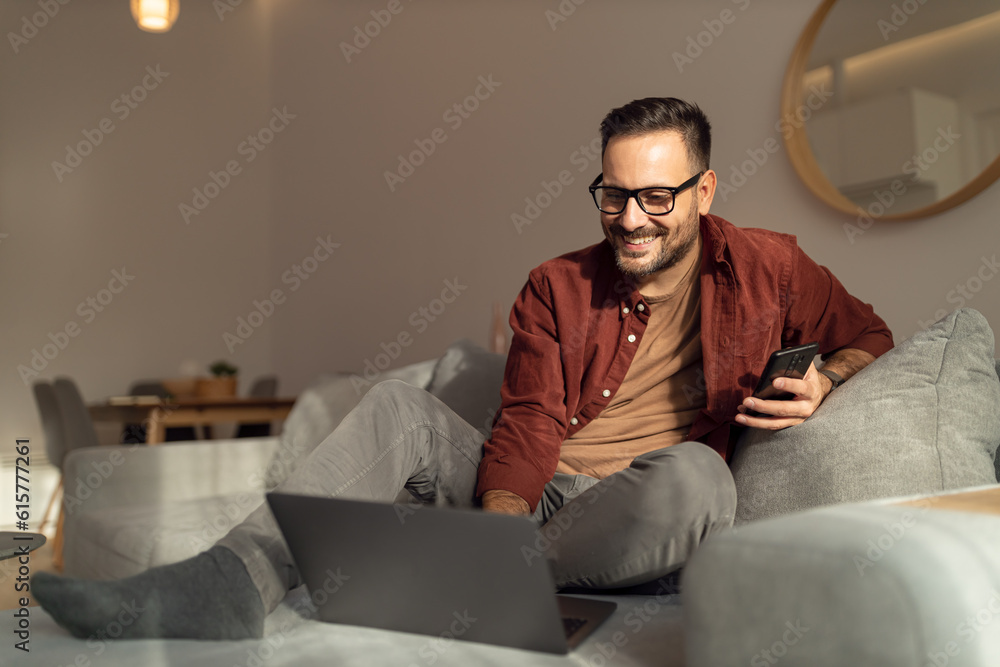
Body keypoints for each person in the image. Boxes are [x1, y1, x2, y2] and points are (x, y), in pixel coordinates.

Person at [33, 97, 893, 641]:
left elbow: (869, 333)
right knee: (396, 411)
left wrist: (827, 377)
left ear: (704, 192)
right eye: (613, 194)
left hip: (636, 504)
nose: (631, 219)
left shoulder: (774, 267)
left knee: (701, 480)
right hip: (538, 489)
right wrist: (500, 524)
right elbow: (526, 421)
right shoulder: (557, 284)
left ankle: (454, 565)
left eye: (657, 198)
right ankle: (228, 579)